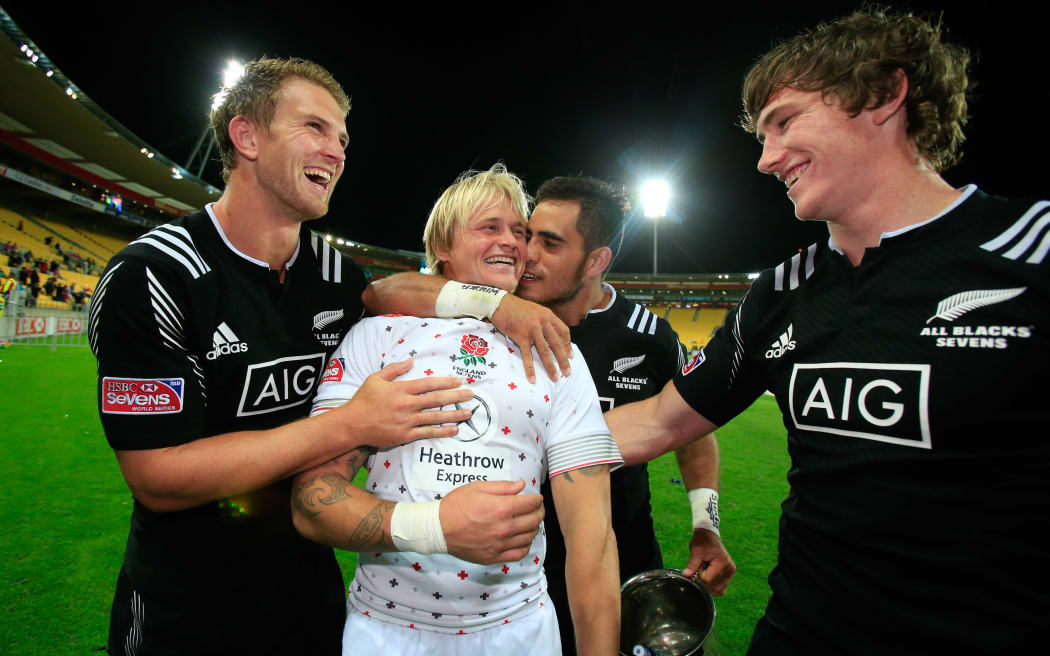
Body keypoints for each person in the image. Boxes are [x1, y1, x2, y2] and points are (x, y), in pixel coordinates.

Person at [606, 8, 1049, 654]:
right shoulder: (783, 292)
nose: (765, 160)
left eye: (784, 123)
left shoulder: (1031, 253)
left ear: (882, 96)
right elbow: (657, 423)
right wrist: (502, 440)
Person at [90, 58, 566, 656]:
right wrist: (350, 424)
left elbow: (389, 292)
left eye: (342, 138)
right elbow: (158, 477)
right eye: (314, 128)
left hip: (308, 590)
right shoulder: (153, 274)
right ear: (248, 137)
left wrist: (494, 303)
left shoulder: (334, 273)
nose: (336, 151)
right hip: (185, 604)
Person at [292, 164, 622, 656]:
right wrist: (436, 527)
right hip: (386, 627)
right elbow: (313, 502)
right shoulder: (378, 336)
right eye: (490, 227)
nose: (514, 243)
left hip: (519, 628)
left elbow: (592, 541)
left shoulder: (557, 351)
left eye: (519, 231)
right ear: (442, 247)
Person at [517, 175, 736, 655]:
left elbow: (693, 432)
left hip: (621, 557)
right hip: (514, 563)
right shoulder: (498, 313)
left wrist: (707, 524)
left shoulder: (648, 337)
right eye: (528, 235)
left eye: (549, 243)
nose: (527, 252)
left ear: (596, 260)